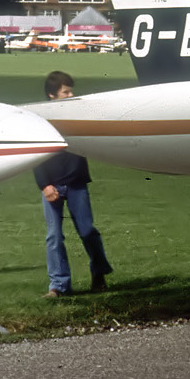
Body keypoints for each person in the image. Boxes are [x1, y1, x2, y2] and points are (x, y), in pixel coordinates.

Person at [34, 71, 113, 298]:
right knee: (54, 236)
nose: (71, 94)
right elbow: (37, 155)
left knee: (88, 232)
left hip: (77, 183)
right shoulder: (42, 119)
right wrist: (44, 185)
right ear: (52, 95)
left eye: (71, 90)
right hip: (52, 186)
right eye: (65, 92)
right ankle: (58, 286)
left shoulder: (78, 116)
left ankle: (99, 273)